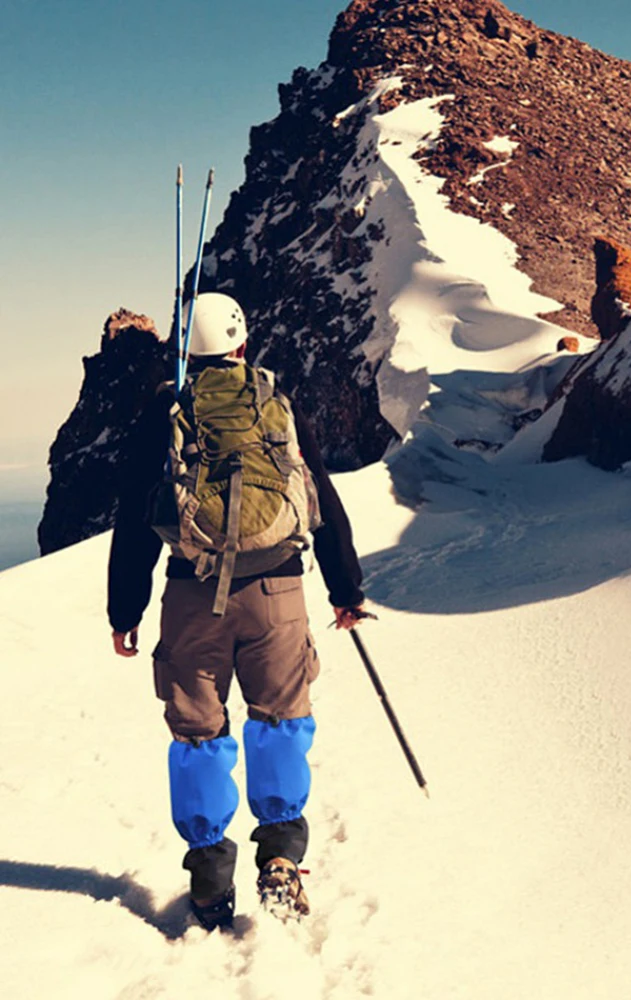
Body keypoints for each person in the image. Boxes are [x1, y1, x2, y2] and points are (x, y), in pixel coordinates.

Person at [107, 292, 366, 931]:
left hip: (193, 596)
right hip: (278, 591)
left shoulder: (167, 413)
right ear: (242, 345)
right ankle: (280, 858)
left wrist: (125, 609)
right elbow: (320, 497)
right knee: (280, 721)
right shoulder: (274, 405)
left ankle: (208, 884)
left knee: (198, 732)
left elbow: (133, 522)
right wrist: (345, 589)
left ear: (185, 353)